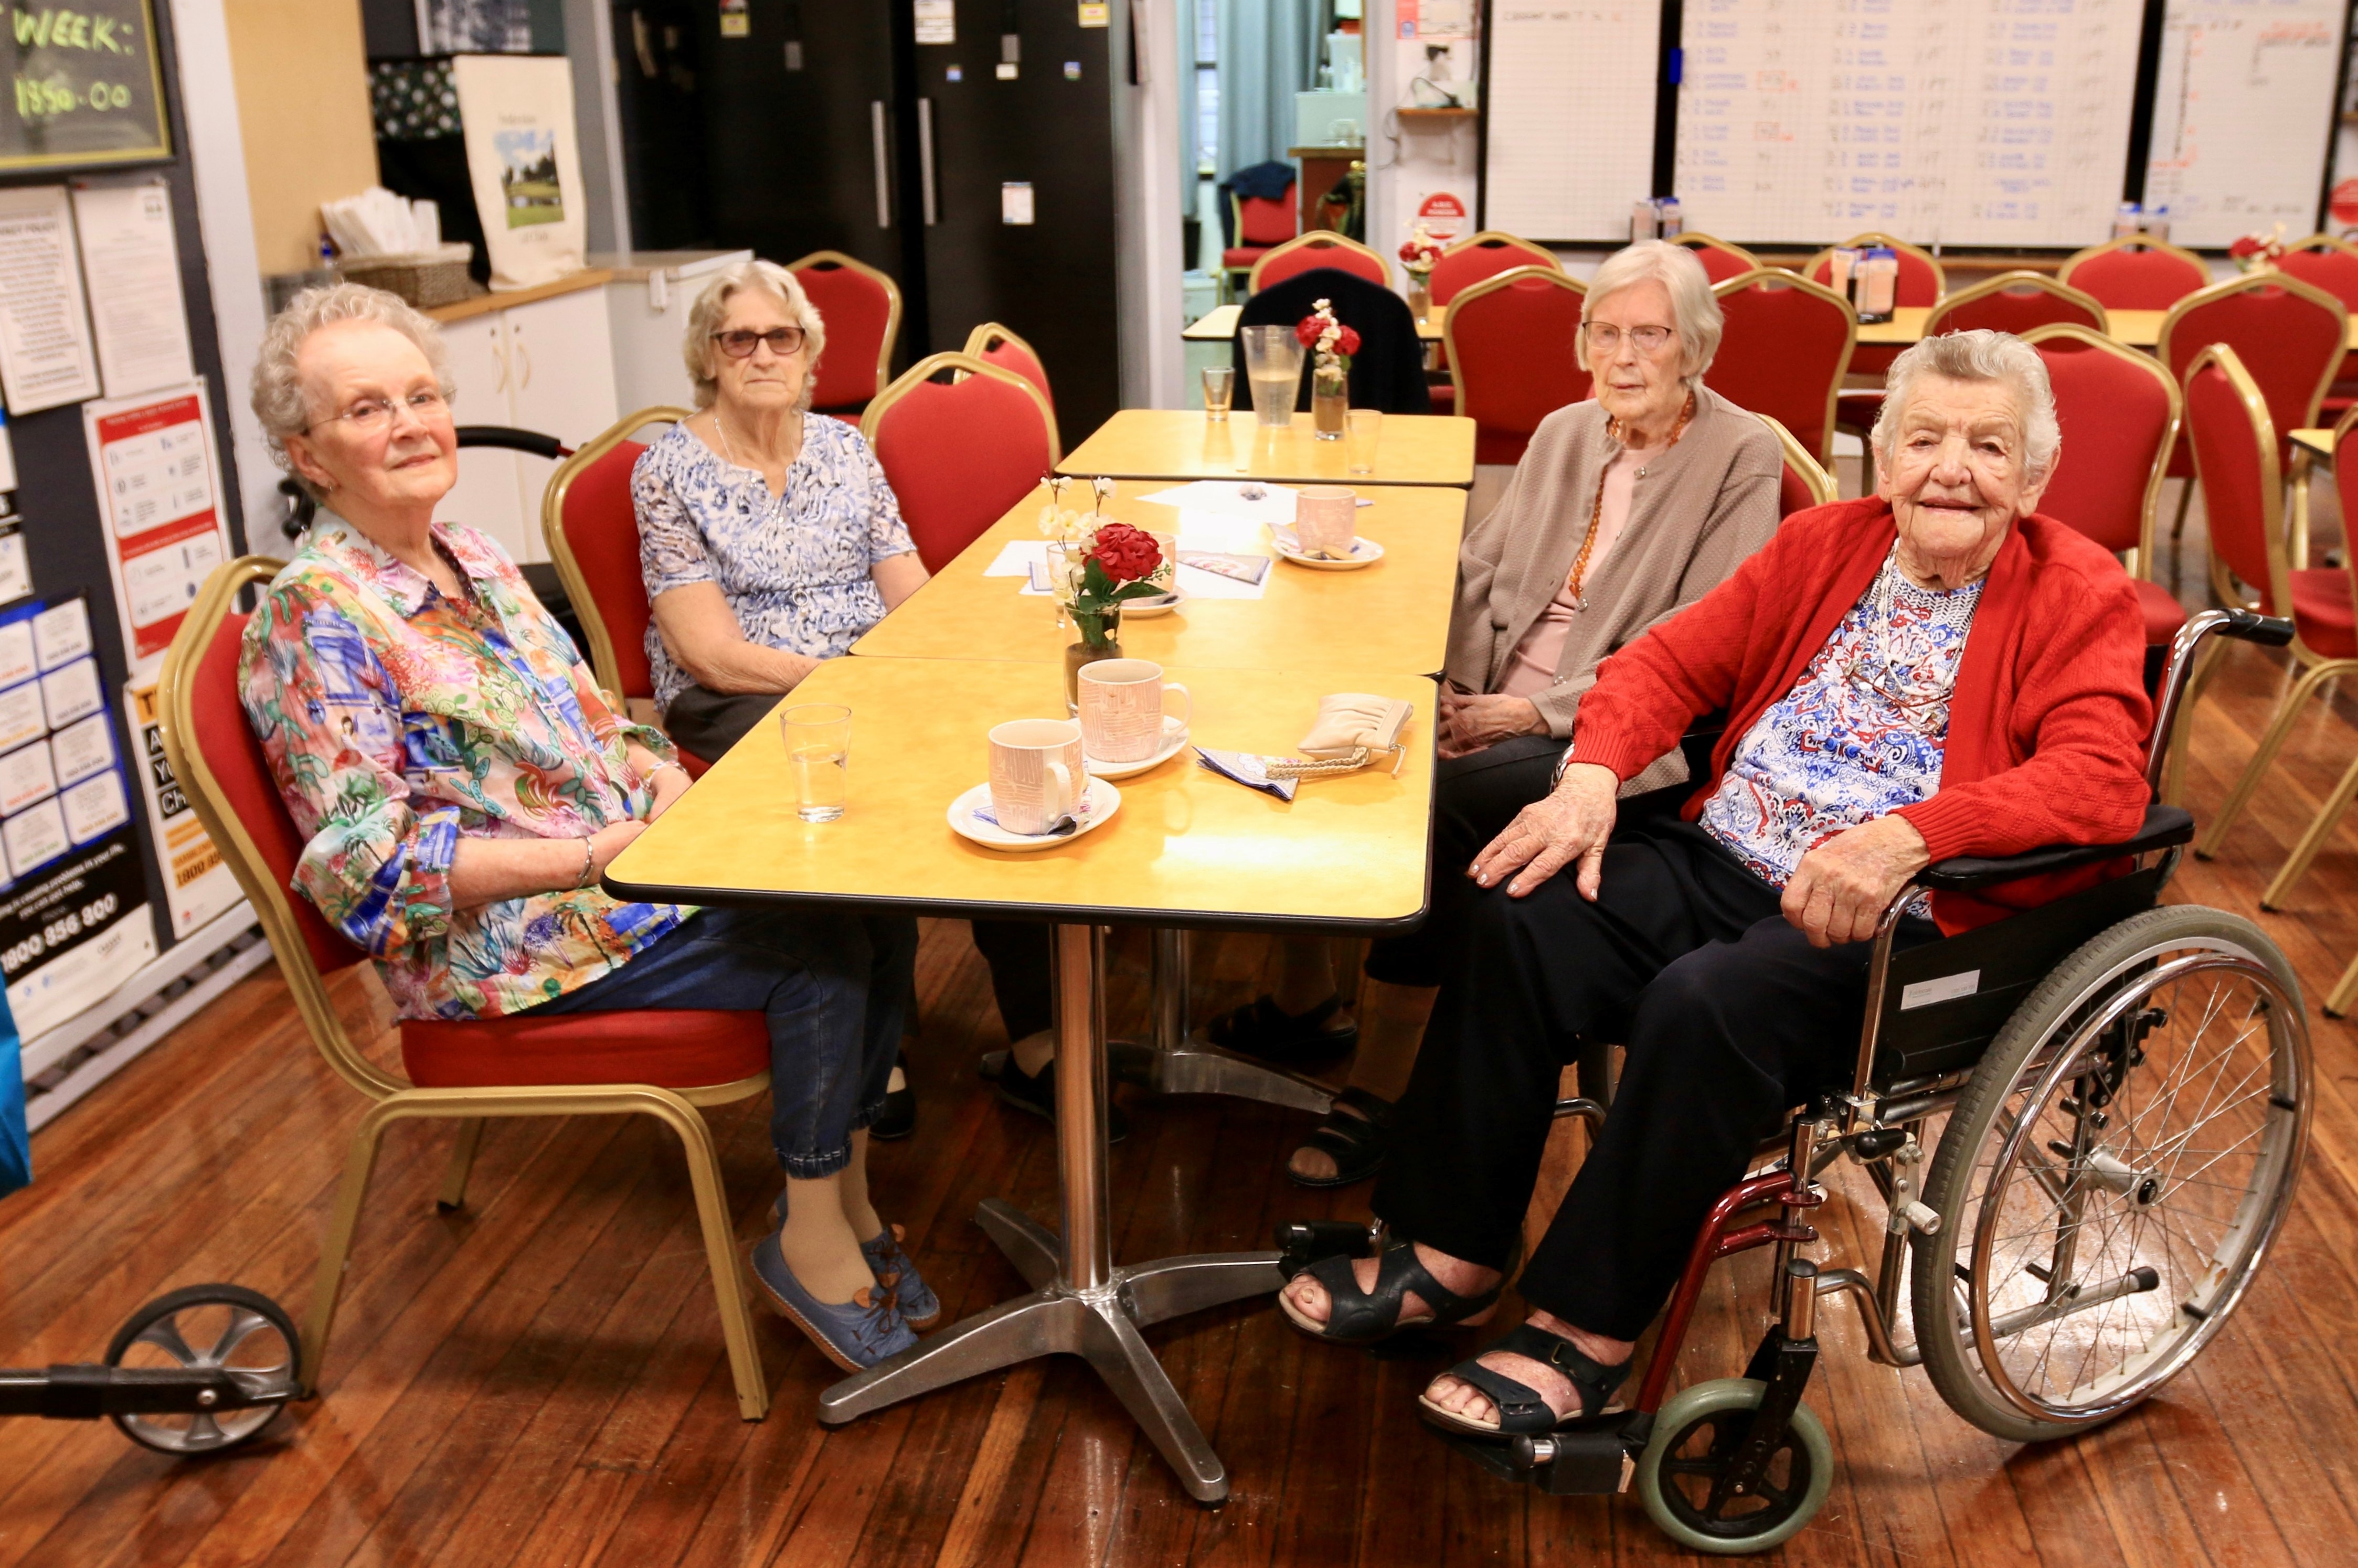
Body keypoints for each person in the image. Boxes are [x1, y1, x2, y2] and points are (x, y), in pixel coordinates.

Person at [1279, 330, 2152, 1438]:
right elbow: (1665, 661)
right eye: (1924, 438)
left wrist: (1908, 836)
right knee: (1521, 912)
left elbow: (2101, 777)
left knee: (1708, 1004)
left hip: (1887, 919)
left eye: (1989, 446)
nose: (1952, 469)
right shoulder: (1824, 541)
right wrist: (1591, 774)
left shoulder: (2080, 590)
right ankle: (1451, 1249)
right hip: (1724, 853)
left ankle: (1586, 1328)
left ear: (2033, 477)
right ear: (1881, 459)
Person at [241, 284, 931, 1372]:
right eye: (367, 409)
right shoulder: (316, 613)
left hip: (621, 876)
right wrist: (593, 856)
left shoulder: (469, 554)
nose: (412, 423)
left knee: (874, 901)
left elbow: (603, 721)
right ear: (309, 452)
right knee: (815, 947)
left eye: (422, 394)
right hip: (505, 940)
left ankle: (844, 1198)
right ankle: (806, 1234)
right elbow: (369, 874)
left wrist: (654, 778)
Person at [1213, 241, 1782, 1189]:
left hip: (1614, 743)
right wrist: (1445, 684)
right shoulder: (1565, 432)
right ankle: (1304, 992)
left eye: (1651, 335)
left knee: (1426, 806)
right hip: (1489, 705)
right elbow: (1476, 570)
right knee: (1315, 734)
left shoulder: (1740, 451)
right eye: (1605, 333)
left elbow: (1705, 635)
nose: (1625, 356)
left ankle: (1380, 1088)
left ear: (1696, 347)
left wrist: (1529, 712)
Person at [630, 261, 1071, 1138]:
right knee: (855, 773)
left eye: (780, 337)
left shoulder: (843, 448)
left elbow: (908, 587)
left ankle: (1037, 1030)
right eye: (738, 339)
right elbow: (709, 651)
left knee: (1004, 752)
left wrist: (946, 666)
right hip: (740, 693)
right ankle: (880, 1041)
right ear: (708, 358)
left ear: (808, 353)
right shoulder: (667, 470)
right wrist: (852, 683)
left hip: (867, 672)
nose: (762, 354)